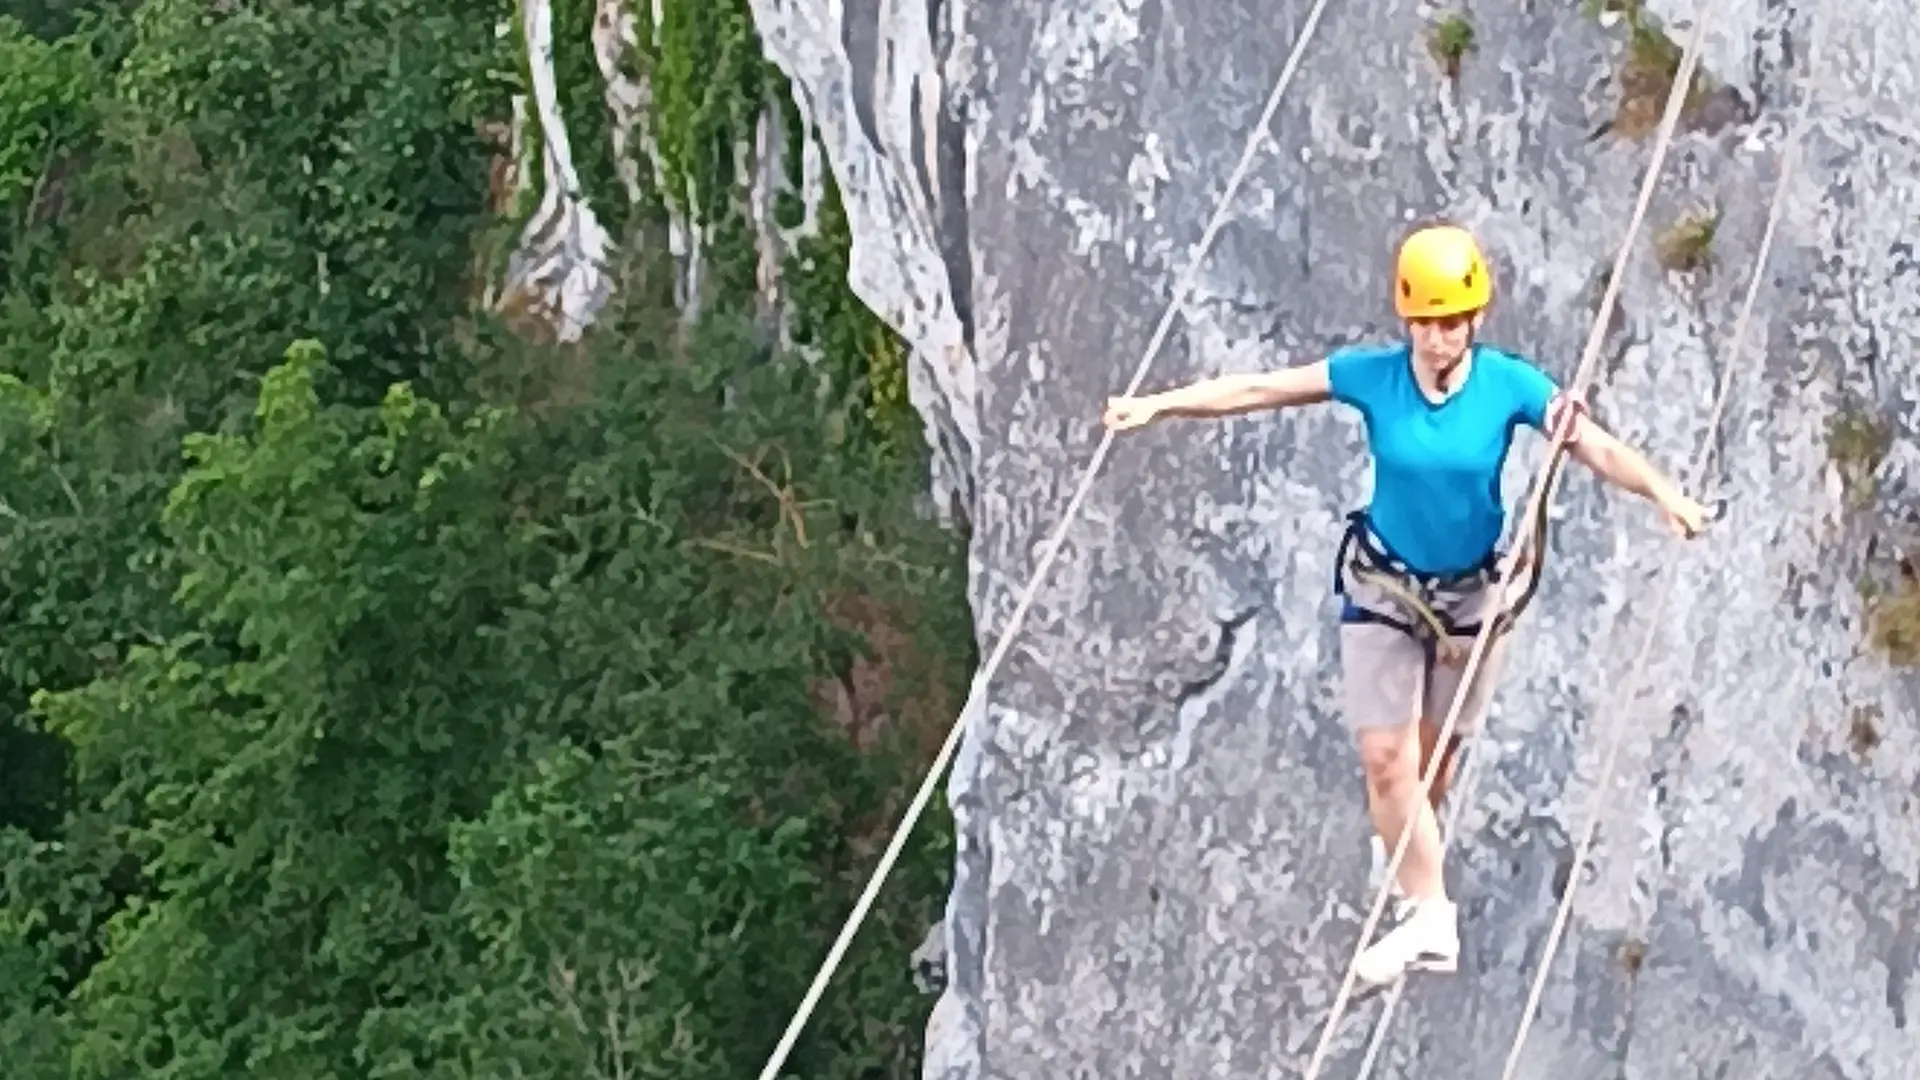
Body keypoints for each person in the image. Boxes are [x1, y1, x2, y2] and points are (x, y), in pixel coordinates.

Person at [1099, 224, 1708, 989]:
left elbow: (1593, 446)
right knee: (1387, 760)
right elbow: (1260, 389)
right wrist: (1160, 406)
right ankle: (1431, 915)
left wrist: (1663, 493)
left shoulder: (1509, 385)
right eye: (1424, 321)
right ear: (1406, 320)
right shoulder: (1375, 377)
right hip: (1384, 587)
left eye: (1451, 321)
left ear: (1475, 320)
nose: (1437, 336)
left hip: (1471, 601)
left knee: (1432, 764)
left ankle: (1412, 885)